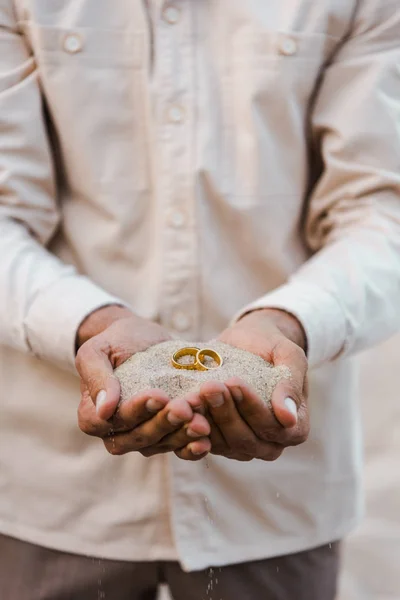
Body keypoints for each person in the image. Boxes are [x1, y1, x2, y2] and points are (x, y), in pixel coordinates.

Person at [0, 1, 399, 599]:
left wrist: (288, 321)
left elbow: (382, 211)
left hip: (276, 505)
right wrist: (88, 323)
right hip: (56, 488)